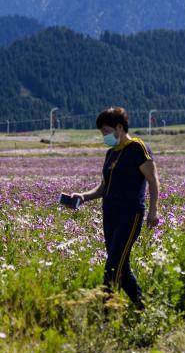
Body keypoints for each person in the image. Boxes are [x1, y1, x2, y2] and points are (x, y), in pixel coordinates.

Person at [66, 107, 159, 309]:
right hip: (110, 215)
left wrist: (153, 210)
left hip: (130, 215)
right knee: (121, 266)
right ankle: (143, 308)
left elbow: (153, 180)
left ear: (119, 127)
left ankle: (107, 312)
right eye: (102, 133)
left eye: (106, 131)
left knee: (113, 266)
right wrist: (83, 197)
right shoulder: (111, 153)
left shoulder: (137, 148)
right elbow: (103, 187)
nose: (104, 136)